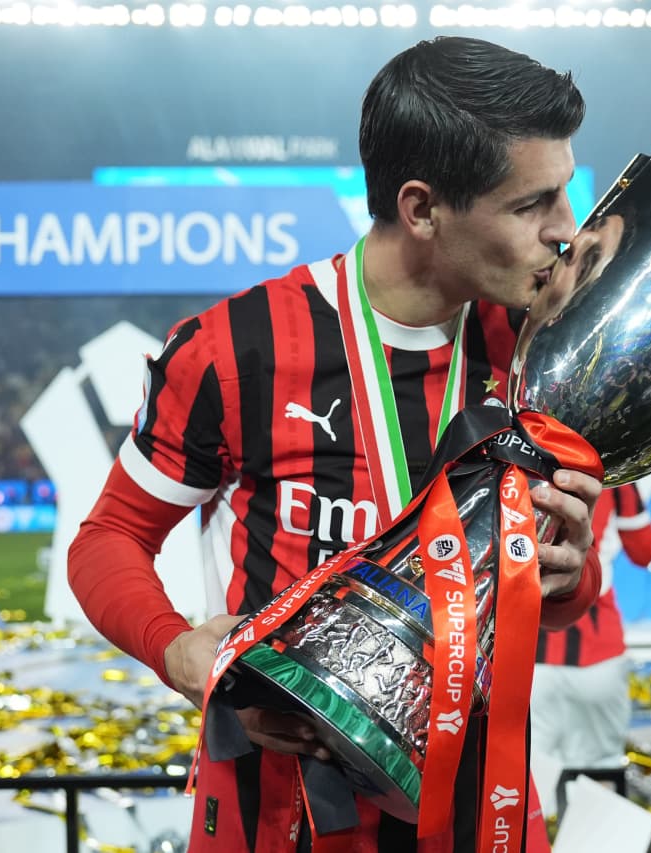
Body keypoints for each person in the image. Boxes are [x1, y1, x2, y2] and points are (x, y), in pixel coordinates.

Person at [67, 37, 604, 853]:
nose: (565, 230)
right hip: (282, 815)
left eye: (564, 193)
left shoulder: (542, 355)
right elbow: (109, 536)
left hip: (477, 810)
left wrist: (569, 571)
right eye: (533, 204)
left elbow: (560, 592)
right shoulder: (236, 348)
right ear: (421, 209)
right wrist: (179, 651)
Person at [531, 482, 651, 772]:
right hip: (596, 650)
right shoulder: (615, 470)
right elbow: (644, 551)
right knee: (600, 773)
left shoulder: (512, 464)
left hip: (528, 652)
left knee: (527, 775)